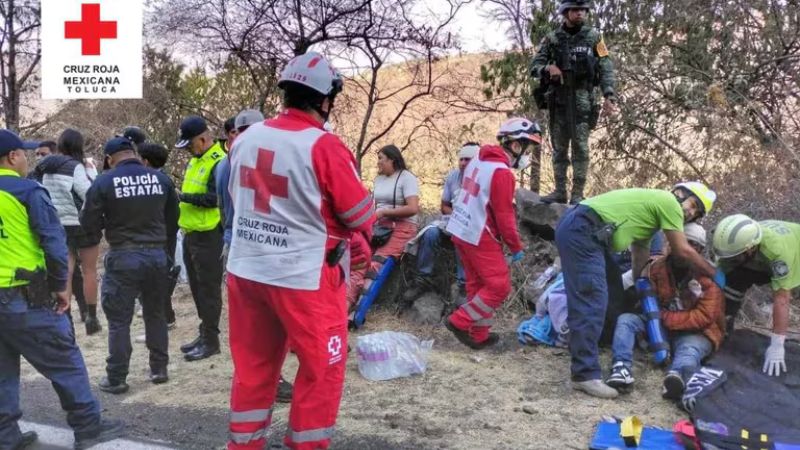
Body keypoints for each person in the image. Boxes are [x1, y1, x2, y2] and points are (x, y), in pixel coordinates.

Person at [226, 51, 374, 450]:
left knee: (254, 368)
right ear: (325, 100)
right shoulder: (325, 147)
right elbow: (361, 216)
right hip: (303, 278)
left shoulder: (244, 140)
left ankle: (244, 444)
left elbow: (238, 202)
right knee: (321, 369)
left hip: (246, 271)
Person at [0, 129, 125, 450]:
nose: (27, 158)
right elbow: (53, 243)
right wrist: (61, 287)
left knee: (1, 369)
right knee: (64, 360)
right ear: (13, 157)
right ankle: (88, 426)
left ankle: (6, 434)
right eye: (24, 153)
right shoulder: (26, 190)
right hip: (26, 294)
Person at [555, 182, 722, 398]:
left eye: (695, 213)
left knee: (613, 290)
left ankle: (594, 344)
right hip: (584, 230)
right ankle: (584, 374)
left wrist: (641, 283)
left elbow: (639, 253)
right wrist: (713, 272)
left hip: (588, 232)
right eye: (693, 204)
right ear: (680, 193)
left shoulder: (650, 219)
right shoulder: (668, 202)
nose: (689, 213)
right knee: (592, 297)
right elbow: (682, 250)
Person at [80, 137, 179, 393]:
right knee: (156, 314)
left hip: (123, 256)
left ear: (110, 159)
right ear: (133, 153)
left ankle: (117, 377)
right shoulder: (160, 179)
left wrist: (105, 224)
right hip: (157, 256)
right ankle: (159, 369)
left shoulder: (104, 181)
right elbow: (172, 219)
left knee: (119, 320)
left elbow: (87, 220)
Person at [445, 118, 541, 349]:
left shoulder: (478, 158)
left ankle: (479, 335)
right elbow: (504, 216)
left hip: (460, 228)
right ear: (516, 146)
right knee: (499, 286)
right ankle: (459, 321)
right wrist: (515, 246)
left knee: (478, 285)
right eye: (526, 147)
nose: (527, 154)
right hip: (479, 232)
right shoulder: (502, 173)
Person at [606, 223, 725, 399]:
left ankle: (677, 378)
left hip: (696, 332)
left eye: (692, 244)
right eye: (681, 242)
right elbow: (646, 297)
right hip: (659, 325)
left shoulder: (709, 277)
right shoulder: (656, 267)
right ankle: (621, 367)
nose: (684, 248)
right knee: (627, 320)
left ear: (699, 249)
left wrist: (663, 317)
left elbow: (704, 317)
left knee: (689, 349)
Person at [530, 0, 617, 205]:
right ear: (566, 12)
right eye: (575, 10)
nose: (580, 14)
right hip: (559, 100)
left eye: (583, 10)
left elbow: (606, 66)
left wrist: (609, 94)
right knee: (559, 148)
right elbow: (535, 65)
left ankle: (577, 194)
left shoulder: (594, 37)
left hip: (583, 101)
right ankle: (560, 191)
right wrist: (548, 68)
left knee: (581, 149)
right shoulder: (552, 39)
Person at [32, 128, 102, 335]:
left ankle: (67, 320)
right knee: (89, 270)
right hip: (82, 224)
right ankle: (91, 317)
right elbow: (89, 193)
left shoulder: (44, 167)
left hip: (59, 224)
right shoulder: (76, 167)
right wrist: (91, 171)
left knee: (66, 272)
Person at [712, 215, 800, 377]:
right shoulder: (735, 243)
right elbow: (720, 274)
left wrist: (777, 345)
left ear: (751, 248)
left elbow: (781, 300)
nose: (729, 260)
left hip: (795, 252)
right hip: (759, 258)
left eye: (733, 257)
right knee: (733, 281)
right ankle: (723, 331)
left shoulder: (776, 253)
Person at [175, 115, 226, 361]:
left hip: (209, 236)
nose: (187, 151)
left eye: (190, 145)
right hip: (191, 234)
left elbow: (214, 199)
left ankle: (211, 340)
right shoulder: (197, 160)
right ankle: (204, 332)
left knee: (208, 290)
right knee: (196, 289)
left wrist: (182, 198)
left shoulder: (219, 161)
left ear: (203, 138)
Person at [402, 142, 478, 305]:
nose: (463, 163)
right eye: (461, 159)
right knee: (429, 234)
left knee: (460, 235)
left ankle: (463, 284)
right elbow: (444, 206)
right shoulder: (453, 176)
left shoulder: (481, 178)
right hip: (450, 222)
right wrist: (457, 215)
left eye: (468, 159)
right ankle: (423, 277)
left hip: (471, 227)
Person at [349, 144, 420, 310]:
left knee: (376, 263)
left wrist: (384, 213)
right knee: (360, 259)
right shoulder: (379, 179)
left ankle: (358, 312)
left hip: (402, 226)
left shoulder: (406, 178)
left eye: (381, 158)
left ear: (392, 160)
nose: (378, 162)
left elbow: (413, 208)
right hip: (380, 227)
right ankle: (344, 304)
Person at [137, 142, 178, 330]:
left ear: (145, 162)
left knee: (156, 283)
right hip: (164, 238)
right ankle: (167, 319)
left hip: (160, 240)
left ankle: (162, 322)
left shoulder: (157, 182)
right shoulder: (164, 179)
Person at [217, 109, 265, 250]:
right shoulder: (269, 159)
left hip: (235, 237)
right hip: (259, 239)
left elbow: (221, 207)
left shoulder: (223, 164)